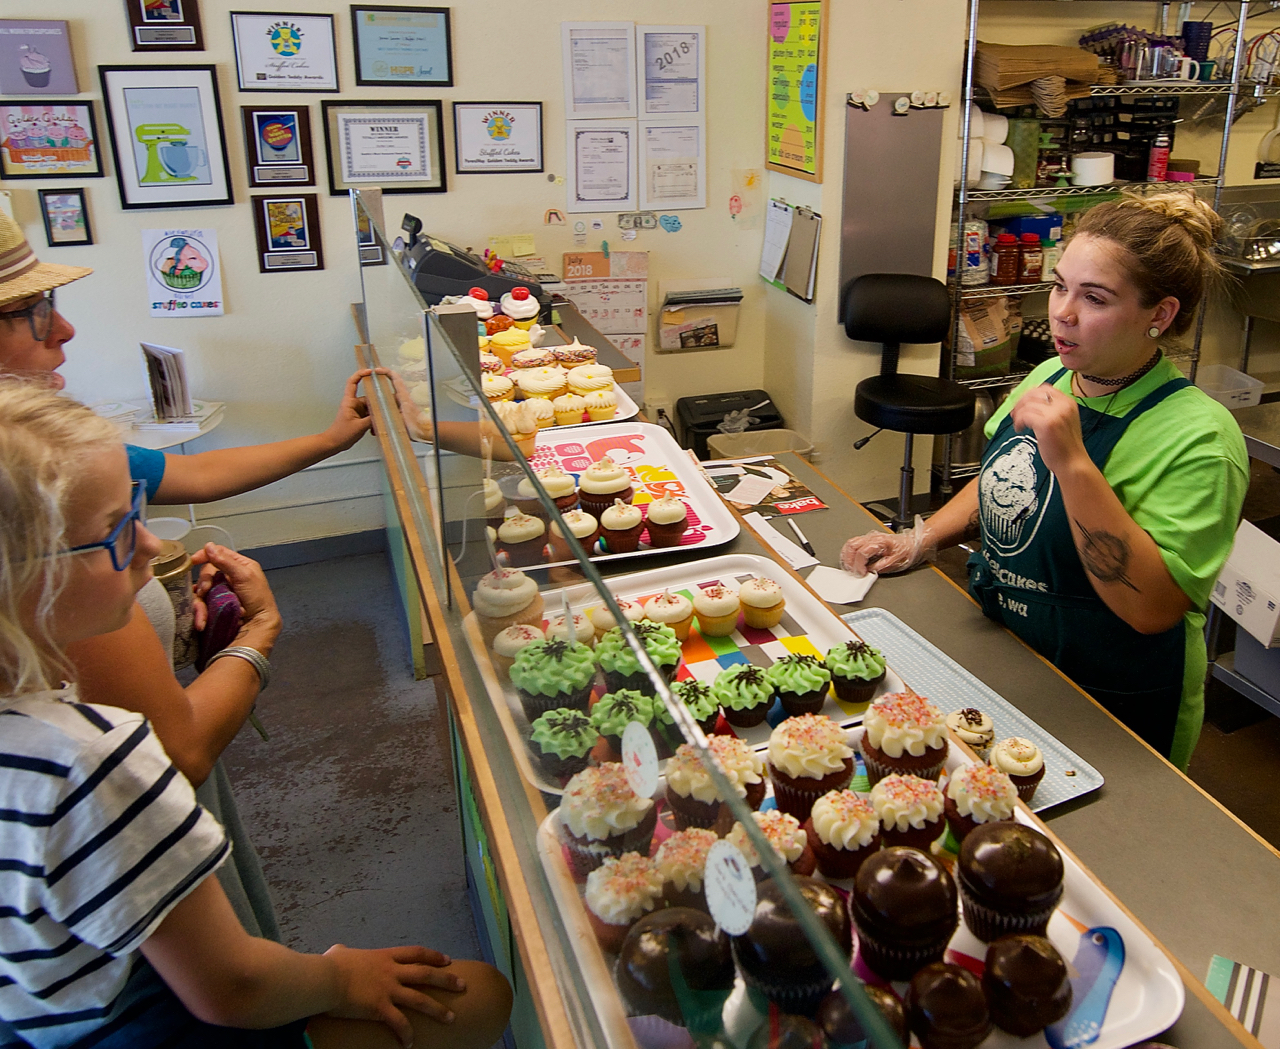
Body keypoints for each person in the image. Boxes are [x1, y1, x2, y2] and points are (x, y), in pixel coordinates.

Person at [0, 383, 512, 1049]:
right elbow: (230, 983)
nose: (153, 547)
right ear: (28, 579)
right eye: (120, 531)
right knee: (484, 995)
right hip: (158, 1023)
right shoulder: (93, 759)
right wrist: (342, 978)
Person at [0, 209, 388, 938]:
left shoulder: (38, 446)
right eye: (33, 311)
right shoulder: (35, 507)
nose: (65, 330)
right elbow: (177, 749)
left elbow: (193, 472)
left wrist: (332, 438)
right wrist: (258, 638)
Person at [841, 191, 1248, 771]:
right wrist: (923, 537)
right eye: (1060, 286)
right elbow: (1000, 476)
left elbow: (1152, 608)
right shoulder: (1055, 371)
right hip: (1011, 650)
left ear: (1159, 315)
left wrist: (1075, 464)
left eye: (1095, 297)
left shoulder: (1200, 438)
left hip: (1108, 701)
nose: (1062, 312)